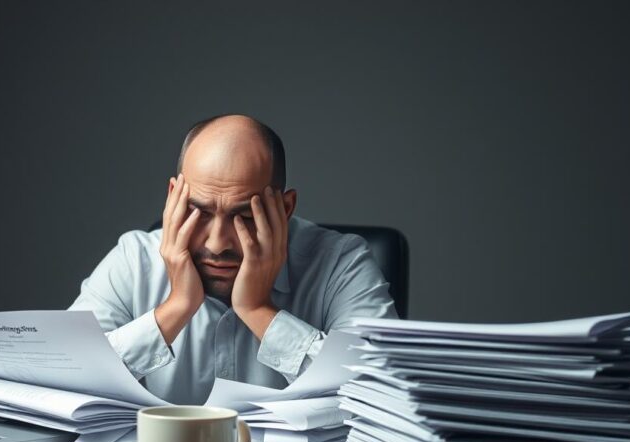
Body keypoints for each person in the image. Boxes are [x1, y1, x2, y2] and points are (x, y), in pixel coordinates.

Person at [70, 114, 397, 404]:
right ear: (174, 198)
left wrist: (259, 312)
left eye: (245, 216)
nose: (217, 244)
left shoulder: (341, 263)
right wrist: (174, 309)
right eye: (199, 211)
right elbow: (62, 380)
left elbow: (385, 393)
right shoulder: (133, 260)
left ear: (284, 209)